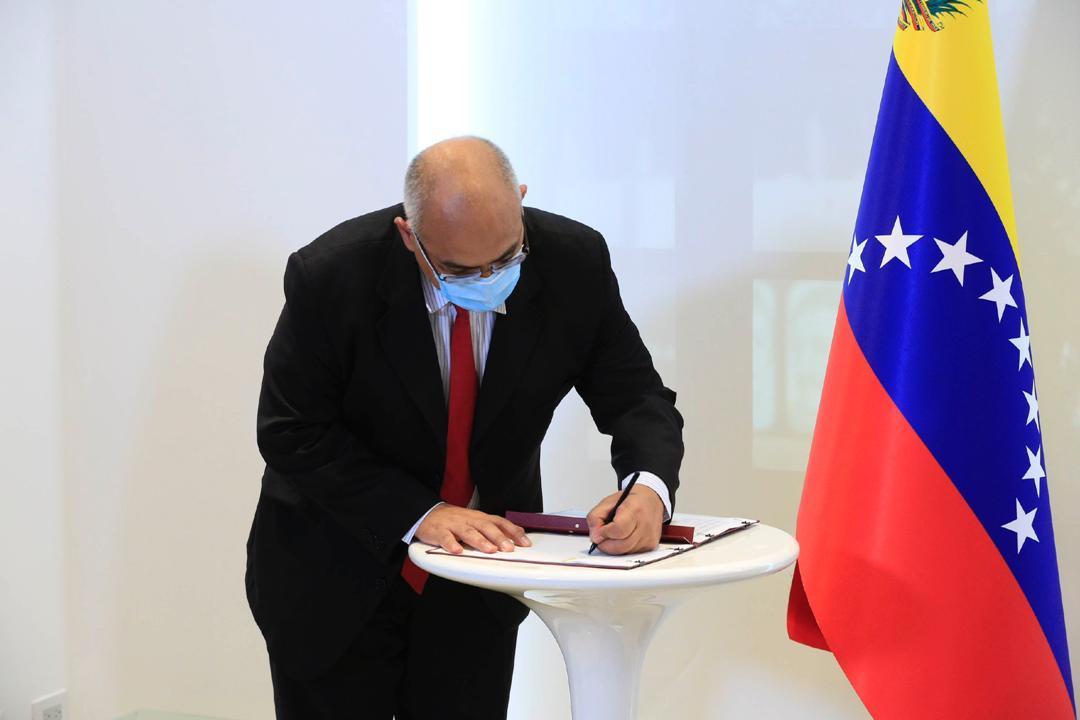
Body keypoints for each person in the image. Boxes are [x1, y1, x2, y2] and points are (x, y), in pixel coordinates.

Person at [245, 136, 684, 719]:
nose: (486, 278)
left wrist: (648, 487)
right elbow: (292, 430)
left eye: (505, 258)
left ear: (520, 201)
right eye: (457, 269)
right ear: (410, 235)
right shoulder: (331, 275)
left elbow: (635, 396)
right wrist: (420, 513)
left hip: (477, 585)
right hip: (335, 576)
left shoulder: (573, 262)